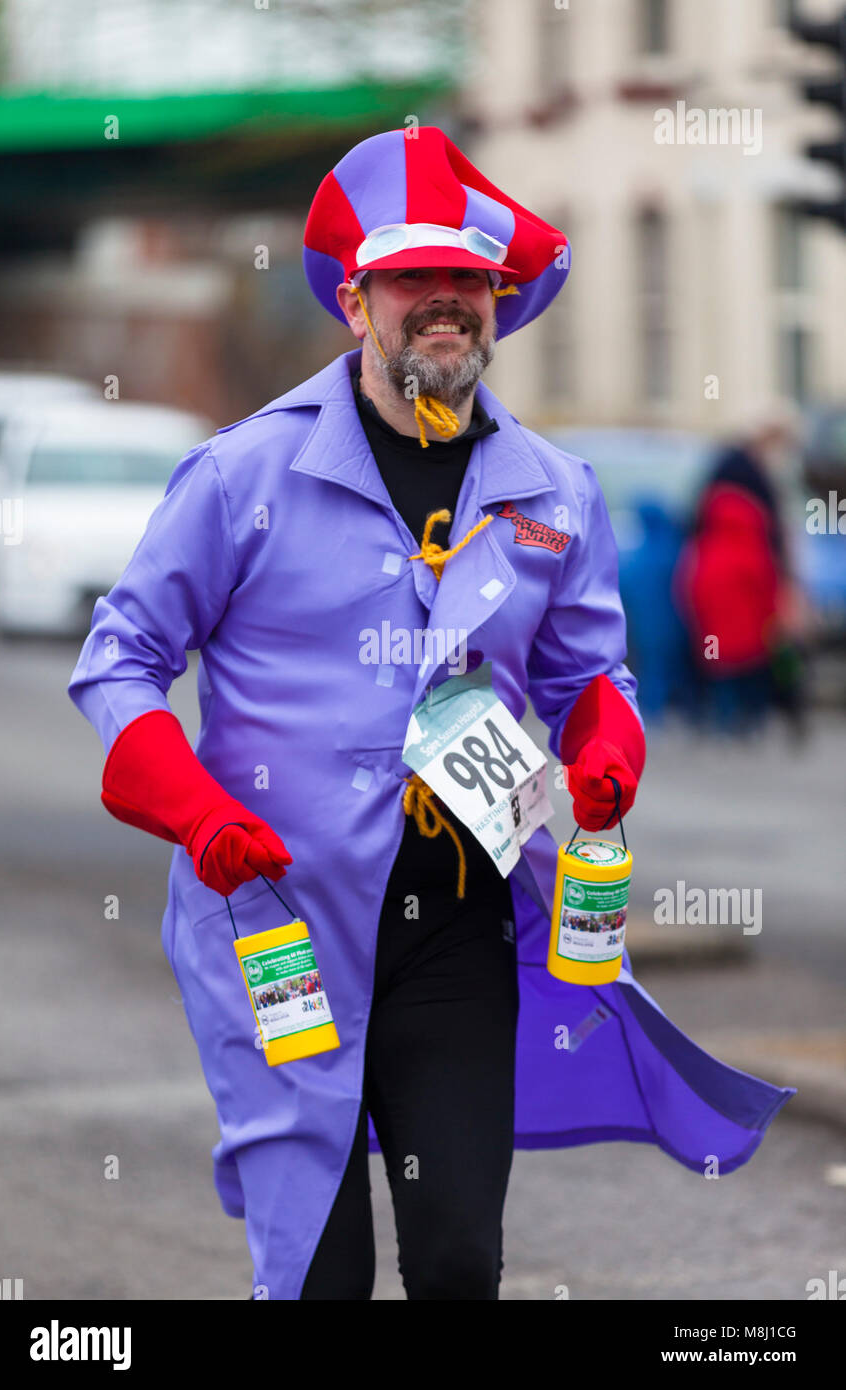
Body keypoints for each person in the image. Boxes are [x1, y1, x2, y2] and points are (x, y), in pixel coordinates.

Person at [67, 126, 793, 1302]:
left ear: (496, 302)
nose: (442, 300)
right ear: (357, 301)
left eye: (466, 279)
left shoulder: (554, 488)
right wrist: (199, 816)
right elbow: (120, 661)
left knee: (457, 1257)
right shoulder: (239, 476)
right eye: (412, 278)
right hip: (276, 923)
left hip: (457, 925)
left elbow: (590, 675)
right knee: (319, 1270)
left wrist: (605, 752)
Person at [674, 403, 810, 736]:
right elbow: (766, 580)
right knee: (759, 661)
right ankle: (765, 715)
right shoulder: (752, 527)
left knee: (717, 664)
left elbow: (688, 585)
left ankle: (721, 718)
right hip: (751, 627)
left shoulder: (708, 542)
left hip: (716, 627)